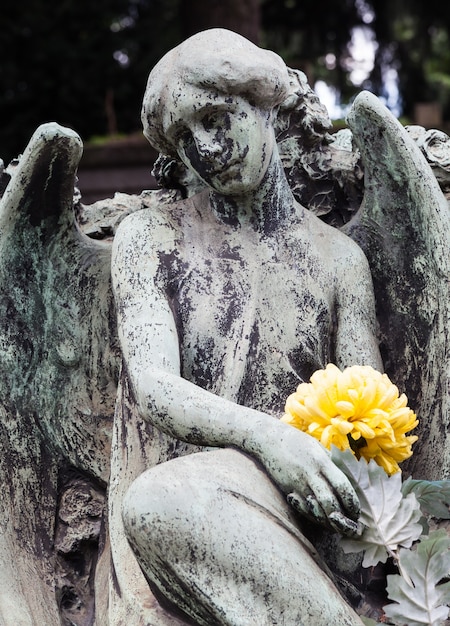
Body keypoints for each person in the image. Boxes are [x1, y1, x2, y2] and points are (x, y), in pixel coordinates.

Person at [110, 28, 382, 625]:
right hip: (197, 497)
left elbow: (370, 422)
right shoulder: (151, 240)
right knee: (160, 501)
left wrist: (335, 480)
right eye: (184, 139)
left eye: (215, 118)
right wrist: (269, 440)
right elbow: (154, 387)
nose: (204, 149)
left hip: (310, 509)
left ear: (263, 103)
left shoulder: (339, 261)